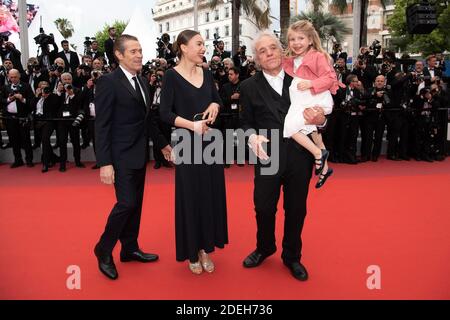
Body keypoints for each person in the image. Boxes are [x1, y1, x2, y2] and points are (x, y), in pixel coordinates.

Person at [240, 30, 326, 281]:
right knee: (264, 208)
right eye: (262, 51)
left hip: (300, 155)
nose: (269, 54)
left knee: (296, 209)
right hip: (268, 156)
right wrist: (251, 136)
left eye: (273, 48)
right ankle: (265, 247)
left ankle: (292, 256)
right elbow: (244, 122)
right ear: (256, 58)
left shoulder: (302, 77)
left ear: (281, 50)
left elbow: (320, 115)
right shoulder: (248, 86)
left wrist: (321, 120)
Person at [93, 34, 172, 280]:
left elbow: (147, 119)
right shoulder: (108, 82)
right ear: (119, 55)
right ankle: (103, 249)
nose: (139, 55)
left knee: (135, 205)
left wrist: (162, 145)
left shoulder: (143, 82)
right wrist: (105, 162)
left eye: (140, 50)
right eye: (133, 51)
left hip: (140, 154)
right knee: (126, 203)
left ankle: (129, 248)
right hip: (119, 156)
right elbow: (102, 125)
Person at [159, 30, 228, 275]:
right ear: (183, 47)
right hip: (186, 144)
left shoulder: (207, 73)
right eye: (199, 44)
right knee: (191, 197)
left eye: (204, 44)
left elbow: (218, 100)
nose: (203, 48)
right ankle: (192, 251)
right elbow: (164, 113)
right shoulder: (171, 76)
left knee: (209, 195)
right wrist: (192, 125)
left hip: (210, 144)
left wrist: (214, 104)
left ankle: (205, 248)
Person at [282, 20, 339, 188]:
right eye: (292, 39)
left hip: (315, 97)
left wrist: (310, 84)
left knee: (290, 127)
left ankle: (318, 153)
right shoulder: (291, 60)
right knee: (311, 129)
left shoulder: (318, 56)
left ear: (310, 40)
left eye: (301, 38)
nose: (296, 43)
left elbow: (330, 78)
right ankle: (325, 168)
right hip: (305, 99)